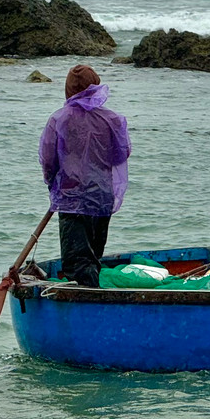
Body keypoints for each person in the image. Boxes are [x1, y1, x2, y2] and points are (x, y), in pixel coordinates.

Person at [39, 64, 132, 287]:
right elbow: (122, 154)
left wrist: (54, 186)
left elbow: (48, 160)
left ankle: (86, 302)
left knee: (77, 262)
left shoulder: (59, 119)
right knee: (93, 256)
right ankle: (93, 296)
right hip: (102, 196)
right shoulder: (113, 120)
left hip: (72, 199)